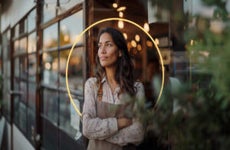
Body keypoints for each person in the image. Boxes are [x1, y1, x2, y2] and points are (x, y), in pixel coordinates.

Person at [82, 27, 145, 150]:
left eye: (108, 45)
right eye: (100, 46)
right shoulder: (92, 85)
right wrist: (119, 123)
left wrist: (99, 134)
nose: (102, 51)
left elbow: (138, 133)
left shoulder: (136, 88)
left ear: (120, 52)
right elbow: (87, 128)